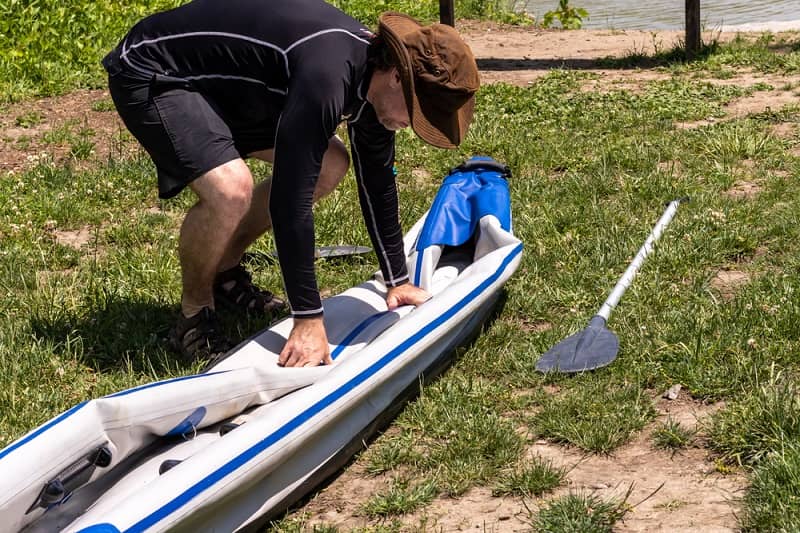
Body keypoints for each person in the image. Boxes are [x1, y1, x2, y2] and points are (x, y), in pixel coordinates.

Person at [102, 0, 480, 368]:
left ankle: (225, 273)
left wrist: (397, 279)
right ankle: (193, 316)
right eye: (417, 113)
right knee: (231, 190)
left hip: (230, 87)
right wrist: (308, 318)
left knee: (331, 165)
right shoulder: (328, 73)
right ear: (398, 76)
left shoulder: (372, 80)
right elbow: (290, 201)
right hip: (156, 71)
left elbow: (377, 182)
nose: (413, 126)